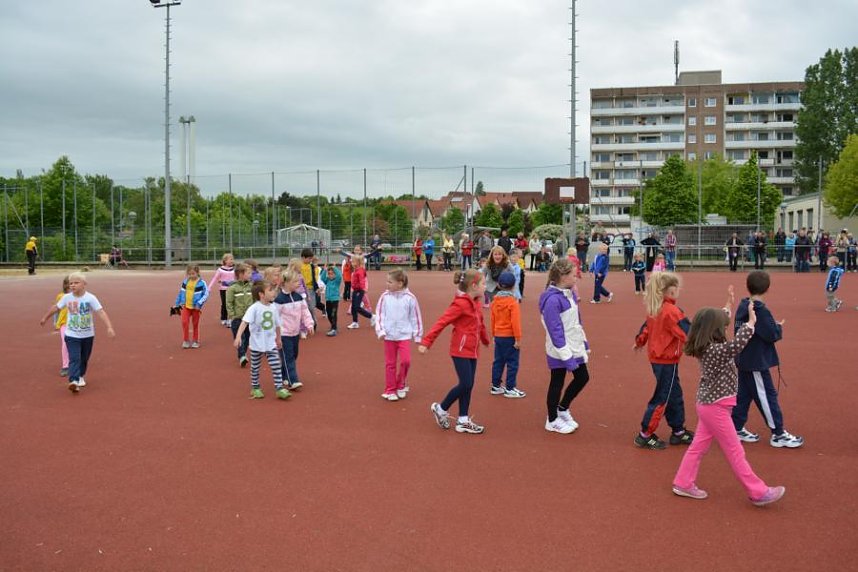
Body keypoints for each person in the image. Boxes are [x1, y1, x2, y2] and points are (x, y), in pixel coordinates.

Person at [673, 301, 786, 506]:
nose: (725, 329)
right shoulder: (715, 351)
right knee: (735, 451)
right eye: (723, 327)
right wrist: (751, 322)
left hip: (710, 405)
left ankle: (683, 482)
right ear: (714, 330)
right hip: (715, 407)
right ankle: (758, 492)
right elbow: (736, 345)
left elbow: (717, 326)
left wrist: (726, 309)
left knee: (698, 447)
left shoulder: (707, 347)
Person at [731, 271, 804, 448]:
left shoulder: (743, 305)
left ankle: (735, 427)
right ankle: (778, 433)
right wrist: (777, 327)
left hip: (744, 358)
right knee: (766, 395)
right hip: (755, 361)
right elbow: (771, 334)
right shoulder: (760, 310)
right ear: (767, 288)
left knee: (744, 395)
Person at [420, 268, 489, 435]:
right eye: (483, 283)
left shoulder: (476, 303)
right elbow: (442, 322)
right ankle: (441, 408)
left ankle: (463, 420)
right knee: (465, 383)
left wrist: (485, 339)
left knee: (469, 385)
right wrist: (427, 342)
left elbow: (480, 323)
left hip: (473, 349)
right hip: (460, 350)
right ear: (474, 286)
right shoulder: (460, 304)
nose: (485, 286)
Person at [632, 272, 693, 449]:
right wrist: (705, 345)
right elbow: (687, 333)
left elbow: (645, 329)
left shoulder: (656, 307)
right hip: (666, 360)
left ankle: (678, 430)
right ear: (670, 290)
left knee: (674, 393)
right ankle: (645, 434)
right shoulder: (672, 311)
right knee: (662, 396)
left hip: (659, 358)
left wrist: (639, 342)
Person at [40, 272, 116, 393]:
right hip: (71, 334)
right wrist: (45, 318)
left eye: (76, 283)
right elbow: (56, 307)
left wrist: (109, 327)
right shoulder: (67, 297)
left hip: (87, 335)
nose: (73, 285)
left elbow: (101, 312)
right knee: (74, 358)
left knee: (84, 358)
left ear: (84, 284)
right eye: (71, 283)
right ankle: (74, 381)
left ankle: (80, 376)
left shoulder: (91, 298)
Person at [539, 258, 591, 434]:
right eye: (573, 275)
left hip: (574, 345)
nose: (576, 277)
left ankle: (562, 408)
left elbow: (577, 321)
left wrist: (583, 341)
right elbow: (555, 331)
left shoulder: (570, 294)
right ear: (563, 276)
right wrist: (566, 357)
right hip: (559, 349)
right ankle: (552, 419)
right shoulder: (553, 301)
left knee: (583, 377)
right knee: (557, 381)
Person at [234, 281, 289, 400]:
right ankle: (255, 387)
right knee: (255, 367)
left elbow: (277, 324)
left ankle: (279, 388)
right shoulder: (254, 308)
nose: (274, 292)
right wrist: (238, 337)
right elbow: (244, 322)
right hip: (256, 344)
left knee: (276, 365)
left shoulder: (273, 307)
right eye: (270, 290)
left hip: (270, 344)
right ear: (261, 294)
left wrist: (279, 338)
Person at [375, 268, 423, 401]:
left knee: (406, 361)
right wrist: (381, 331)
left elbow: (415, 317)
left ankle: (401, 383)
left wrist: (417, 335)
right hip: (389, 335)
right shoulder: (384, 297)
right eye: (387, 281)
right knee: (390, 363)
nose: (387, 284)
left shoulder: (410, 298)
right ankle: (390, 389)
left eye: (390, 282)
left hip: (404, 335)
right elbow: (379, 315)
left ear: (400, 283)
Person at [275, 269, 314, 391]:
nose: (298, 283)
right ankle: (293, 381)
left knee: (294, 355)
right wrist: (275, 335)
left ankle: (283, 375)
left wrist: (309, 324)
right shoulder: (279, 299)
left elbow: (305, 311)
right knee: (289, 357)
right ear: (286, 283)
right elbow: (274, 317)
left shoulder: (299, 297)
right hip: (284, 334)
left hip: (295, 333)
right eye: (295, 281)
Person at [489, 271, 524, 398]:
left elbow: (492, 319)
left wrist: (494, 334)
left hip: (498, 335)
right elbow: (515, 322)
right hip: (510, 336)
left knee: (498, 361)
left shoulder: (494, 301)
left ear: (499, 285)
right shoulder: (513, 302)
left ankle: (496, 385)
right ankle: (510, 388)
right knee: (512, 363)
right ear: (513, 286)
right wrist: (518, 339)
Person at [174, 264, 209, 349]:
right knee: (184, 322)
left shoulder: (202, 283)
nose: (191, 275)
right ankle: (186, 340)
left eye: (193, 273)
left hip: (196, 308)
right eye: (189, 274)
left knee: (195, 324)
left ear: (197, 273)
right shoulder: (185, 282)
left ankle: (195, 341)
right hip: (185, 306)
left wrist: (199, 303)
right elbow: (181, 292)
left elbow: (206, 294)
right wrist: (177, 303)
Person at [226, 263, 253, 367]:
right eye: (248, 273)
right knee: (240, 338)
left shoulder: (251, 286)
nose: (250, 275)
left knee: (248, 338)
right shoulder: (232, 288)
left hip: (249, 319)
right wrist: (232, 315)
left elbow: (255, 300)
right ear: (241, 274)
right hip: (237, 318)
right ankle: (242, 356)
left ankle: (242, 354)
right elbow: (229, 303)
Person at [347, 254, 375, 329]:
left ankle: (372, 316)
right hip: (355, 290)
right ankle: (355, 322)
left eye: (353, 262)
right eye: (352, 261)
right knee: (353, 307)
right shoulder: (356, 270)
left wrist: (362, 289)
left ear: (358, 262)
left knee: (357, 307)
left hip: (359, 290)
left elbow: (362, 280)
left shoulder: (360, 271)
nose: (352, 263)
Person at [208, 253, 235, 327]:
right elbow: (214, 278)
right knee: (225, 304)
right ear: (225, 260)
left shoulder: (234, 269)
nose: (232, 261)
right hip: (223, 290)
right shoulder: (220, 270)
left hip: (233, 290)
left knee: (232, 304)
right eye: (230, 259)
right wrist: (209, 287)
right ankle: (224, 318)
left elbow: (237, 278)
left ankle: (231, 319)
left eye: (232, 259)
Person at [54, 276, 71, 376]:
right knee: (65, 343)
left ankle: (75, 361)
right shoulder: (61, 296)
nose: (71, 285)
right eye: (68, 283)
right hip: (64, 323)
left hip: (75, 324)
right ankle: (65, 365)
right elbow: (56, 309)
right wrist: (55, 322)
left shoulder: (79, 296)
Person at [320, 264, 342, 335]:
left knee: (333, 314)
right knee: (329, 314)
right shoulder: (327, 281)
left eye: (332, 274)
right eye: (329, 274)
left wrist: (334, 268)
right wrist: (325, 270)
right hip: (328, 300)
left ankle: (334, 329)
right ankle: (333, 326)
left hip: (335, 300)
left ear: (334, 274)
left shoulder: (337, 281)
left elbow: (339, 275)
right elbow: (322, 278)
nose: (330, 275)